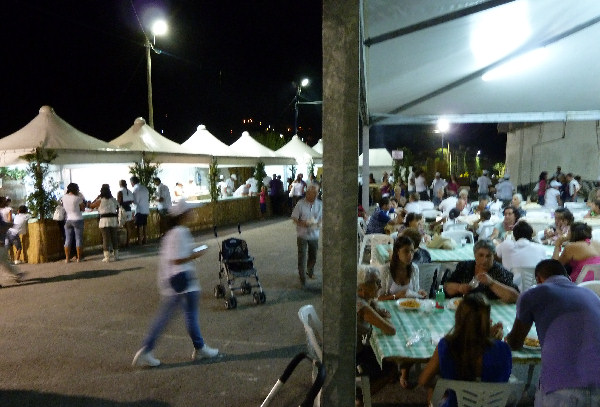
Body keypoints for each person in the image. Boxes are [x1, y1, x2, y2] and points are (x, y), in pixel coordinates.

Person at [132, 200, 219, 368]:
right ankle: (147, 349)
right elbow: (178, 258)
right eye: (190, 211)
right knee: (177, 316)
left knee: (182, 315)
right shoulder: (181, 232)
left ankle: (199, 347)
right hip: (181, 280)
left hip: (173, 280)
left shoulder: (171, 233)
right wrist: (197, 253)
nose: (193, 213)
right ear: (183, 215)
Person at [506, 260, 600, 406]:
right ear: (568, 277)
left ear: (538, 279)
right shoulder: (592, 295)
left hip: (561, 387)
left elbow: (515, 342)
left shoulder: (532, 294)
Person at [419, 293, 511, 407]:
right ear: (486, 321)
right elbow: (503, 377)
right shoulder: (504, 349)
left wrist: (441, 384)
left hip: (455, 404)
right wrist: (490, 339)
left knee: (433, 390)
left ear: (458, 317)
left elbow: (423, 381)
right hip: (490, 404)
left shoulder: (446, 346)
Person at [356, 266, 397, 403]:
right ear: (362, 287)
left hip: (356, 345)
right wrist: (382, 317)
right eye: (377, 283)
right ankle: (360, 399)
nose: (380, 286)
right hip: (353, 355)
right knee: (392, 366)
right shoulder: (362, 307)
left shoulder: (361, 298)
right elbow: (390, 329)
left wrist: (377, 309)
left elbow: (379, 309)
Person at [444, 239, 519, 303]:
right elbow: (446, 287)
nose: (484, 260)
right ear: (474, 255)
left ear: (493, 256)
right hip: (464, 307)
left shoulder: (499, 271)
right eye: (481, 255)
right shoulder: (465, 266)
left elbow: (515, 297)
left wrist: (492, 283)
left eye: (488, 256)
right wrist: (459, 287)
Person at [291, 183, 322, 285]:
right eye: (314, 193)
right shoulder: (300, 204)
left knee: (313, 255)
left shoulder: (320, 204)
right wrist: (302, 223)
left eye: (317, 193)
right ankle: (302, 277)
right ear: (308, 193)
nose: (316, 195)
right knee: (302, 256)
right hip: (302, 234)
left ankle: (310, 271)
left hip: (314, 234)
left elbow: (322, 219)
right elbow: (294, 218)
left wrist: (318, 224)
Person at [89, 184, 119, 262]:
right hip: (113, 220)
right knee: (114, 237)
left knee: (106, 238)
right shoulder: (113, 199)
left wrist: (97, 197)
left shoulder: (100, 201)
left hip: (104, 221)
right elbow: (118, 206)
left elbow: (91, 206)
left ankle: (107, 257)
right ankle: (116, 255)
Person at [62, 183, 86, 263]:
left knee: (68, 239)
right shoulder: (78, 198)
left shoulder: (64, 197)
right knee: (78, 239)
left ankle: (67, 258)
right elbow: (83, 209)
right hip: (78, 219)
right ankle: (79, 258)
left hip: (68, 220)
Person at [130, 176, 150, 245]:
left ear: (132, 182)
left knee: (139, 226)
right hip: (146, 209)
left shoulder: (136, 189)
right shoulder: (144, 188)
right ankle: (146, 240)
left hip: (139, 210)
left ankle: (140, 241)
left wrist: (131, 201)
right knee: (144, 225)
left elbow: (136, 201)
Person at [117, 179, 135, 248]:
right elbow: (132, 201)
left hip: (123, 210)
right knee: (128, 227)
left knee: (122, 226)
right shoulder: (130, 191)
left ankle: (122, 242)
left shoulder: (120, 192)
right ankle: (128, 242)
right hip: (129, 210)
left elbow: (118, 202)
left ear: (120, 184)